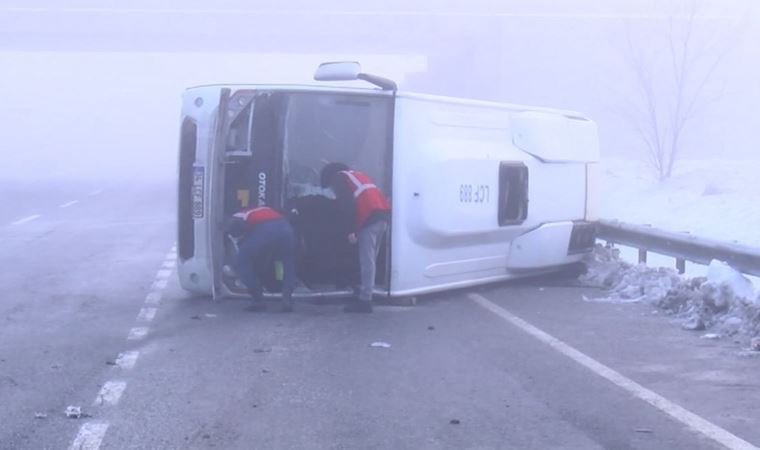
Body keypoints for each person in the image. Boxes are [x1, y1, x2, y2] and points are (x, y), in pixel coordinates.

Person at [321, 162, 390, 313]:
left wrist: (350, 230)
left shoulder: (338, 178)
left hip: (369, 218)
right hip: (381, 216)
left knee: (367, 261)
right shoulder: (358, 175)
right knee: (371, 259)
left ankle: (365, 301)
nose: (332, 190)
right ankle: (367, 292)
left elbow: (347, 205)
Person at [226, 206, 296, 312]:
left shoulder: (238, 216)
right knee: (286, 261)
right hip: (286, 228)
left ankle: (258, 300)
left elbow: (237, 230)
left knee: (242, 260)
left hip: (268, 229)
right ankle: (287, 298)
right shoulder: (264, 209)